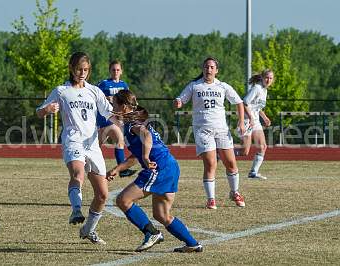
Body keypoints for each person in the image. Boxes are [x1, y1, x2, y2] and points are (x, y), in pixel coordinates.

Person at [106, 90, 203, 253]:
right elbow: (134, 156)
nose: (112, 107)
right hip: (170, 166)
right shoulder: (133, 121)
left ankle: (152, 233)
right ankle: (192, 244)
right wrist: (118, 168)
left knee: (123, 200)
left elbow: (146, 136)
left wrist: (145, 156)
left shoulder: (133, 124)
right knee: (161, 215)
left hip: (159, 168)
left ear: (123, 107)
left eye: (114, 104)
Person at [36, 52, 113, 245]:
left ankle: (88, 230)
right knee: (78, 175)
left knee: (103, 195)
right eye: (79, 69)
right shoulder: (62, 90)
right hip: (73, 141)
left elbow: (110, 113)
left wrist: (128, 116)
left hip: (92, 144)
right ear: (71, 68)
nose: (82, 73)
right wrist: (47, 110)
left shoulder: (94, 91)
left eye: (86, 69)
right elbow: (39, 111)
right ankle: (76, 210)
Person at [173, 56, 248, 210]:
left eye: (212, 67)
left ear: (216, 70)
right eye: (206, 67)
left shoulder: (223, 86)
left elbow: (239, 102)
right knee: (211, 164)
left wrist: (241, 122)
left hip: (221, 130)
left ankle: (234, 192)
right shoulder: (194, 86)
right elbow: (181, 99)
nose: (209, 70)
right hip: (202, 130)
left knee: (231, 164)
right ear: (203, 69)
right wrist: (178, 102)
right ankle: (211, 199)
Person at [97, 60, 136, 178]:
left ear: (121, 71)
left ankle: (84, 164)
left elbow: (128, 101)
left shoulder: (124, 85)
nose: (115, 72)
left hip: (117, 118)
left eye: (118, 70)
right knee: (119, 140)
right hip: (106, 118)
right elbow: (93, 95)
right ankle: (122, 169)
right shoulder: (103, 84)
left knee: (96, 146)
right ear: (110, 71)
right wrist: (105, 98)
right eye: (113, 70)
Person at [236, 69, 274, 180]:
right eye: (266, 77)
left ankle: (253, 172)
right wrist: (251, 118)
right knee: (244, 151)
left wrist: (265, 118)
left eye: (271, 78)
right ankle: (222, 153)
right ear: (262, 78)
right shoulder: (257, 88)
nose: (268, 80)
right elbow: (245, 103)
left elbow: (257, 108)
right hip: (247, 121)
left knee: (262, 147)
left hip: (255, 122)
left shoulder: (264, 90)